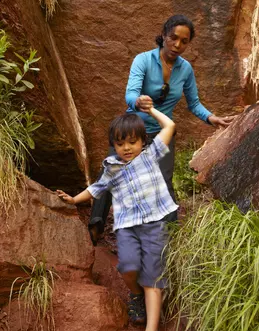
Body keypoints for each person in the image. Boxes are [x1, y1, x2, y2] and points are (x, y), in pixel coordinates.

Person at [88, 14, 235, 244]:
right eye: (173, 38)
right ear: (164, 35)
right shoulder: (144, 60)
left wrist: (212, 118)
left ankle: (171, 237)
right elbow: (130, 94)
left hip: (162, 134)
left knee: (164, 181)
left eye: (184, 41)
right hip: (133, 129)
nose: (177, 45)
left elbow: (193, 103)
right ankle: (96, 225)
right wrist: (138, 102)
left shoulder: (185, 69)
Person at [57, 106, 177, 331]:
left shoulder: (150, 156)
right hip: (127, 227)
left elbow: (170, 127)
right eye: (120, 143)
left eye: (132, 142)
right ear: (114, 145)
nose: (126, 148)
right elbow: (95, 190)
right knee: (128, 267)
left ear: (143, 141)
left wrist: (152, 110)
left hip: (154, 224)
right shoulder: (111, 168)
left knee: (153, 280)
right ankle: (136, 295)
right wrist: (72, 200)